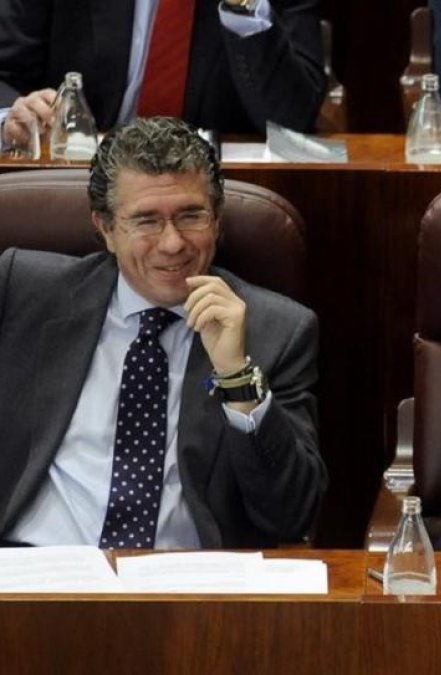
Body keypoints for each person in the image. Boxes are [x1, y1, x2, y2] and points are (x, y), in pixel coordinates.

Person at [0, 116, 324, 548]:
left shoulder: (277, 331)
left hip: (182, 590)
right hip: (33, 576)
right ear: (106, 229)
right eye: (146, 221)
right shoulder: (23, 289)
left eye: (191, 215)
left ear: (218, 219)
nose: (172, 243)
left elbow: (291, 515)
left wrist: (236, 375)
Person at [0, 0, 325, 148]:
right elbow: (5, 75)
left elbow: (291, 120)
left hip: (217, 196)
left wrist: (244, 5)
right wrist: (13, 116)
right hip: (77, 179)